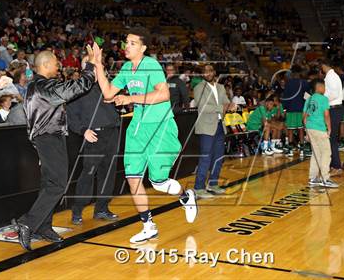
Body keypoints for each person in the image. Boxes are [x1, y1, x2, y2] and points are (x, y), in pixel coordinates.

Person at [92, 28, 197, 244]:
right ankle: (148, 226)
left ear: (143, 47)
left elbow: (163, 94)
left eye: (132, 43)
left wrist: (131, 99)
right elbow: (108, 93)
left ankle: (186, 196)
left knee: (158, 182)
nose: (126, 46)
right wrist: (98, 65)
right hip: (137, 130)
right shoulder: (126, 69)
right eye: (126, 42)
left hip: (159, 127)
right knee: (133, 179)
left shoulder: (150, 65)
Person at [11, 47, 96, 251]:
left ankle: (43, 227)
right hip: (50, 137)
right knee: (58, 185)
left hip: (44, 138)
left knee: (49, 183)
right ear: (46, 65)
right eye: (56, 63)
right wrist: (90, 67)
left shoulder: (33, 87)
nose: (59, 67)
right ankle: (28, 223)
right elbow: (77, 87)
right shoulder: (45, 86)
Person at [67, 66, 121, 225]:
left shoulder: (106, 87)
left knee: (108, 173)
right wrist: (83, 130)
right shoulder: (77, 90)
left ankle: (102, 209)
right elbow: (71, 118)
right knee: (88, 174)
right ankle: (77, 210)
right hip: (94, 136)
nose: (101, 73)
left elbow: (113, 106)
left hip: (111, 133)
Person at [193, 64, 237, 198]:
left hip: (220, 126)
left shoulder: (221, 87)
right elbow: (203, 107)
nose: (208, 73)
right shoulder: (198, 88)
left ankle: (213, 184)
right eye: (205, 71)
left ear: (214, 72)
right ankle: (198, 187)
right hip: (206, 127)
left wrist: (231, 105)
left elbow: (227, 103)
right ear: (202, 74)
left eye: (210, 70)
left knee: (218, 157)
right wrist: (222, 107)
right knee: (206, 157)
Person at [303, 79, 338, 188]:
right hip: (319, 129)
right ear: (318, 88)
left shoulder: (308, 99)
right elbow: (326, 115)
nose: (325, 88)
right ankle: (325, 178)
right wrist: (329, 128)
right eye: (324, 86)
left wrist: (306, 131)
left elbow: (304, 116)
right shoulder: (324, 99)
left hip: (310, 128)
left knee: (316, 153)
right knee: (326, 153)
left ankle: (313, 178)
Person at [321, 59, 344, 176]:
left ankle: (336, 166)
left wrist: (321, 99)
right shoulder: (332, 76)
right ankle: (332, 164)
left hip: (334, 109)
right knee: (330, 138)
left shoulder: (331, 76)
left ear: (324, 66)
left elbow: (333, 94)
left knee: (331, 139)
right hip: (334, 108)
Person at [282, 65, 310, 156]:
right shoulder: (305, 83)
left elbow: (285, 97)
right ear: (300, 72)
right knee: (301, 129)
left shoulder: (289, 83)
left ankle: (290, 149)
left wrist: (284, 108)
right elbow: (308, 96)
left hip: (290, 109)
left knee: (290, 129)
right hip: (301, 109)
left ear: (292, 73)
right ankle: (302, 148)